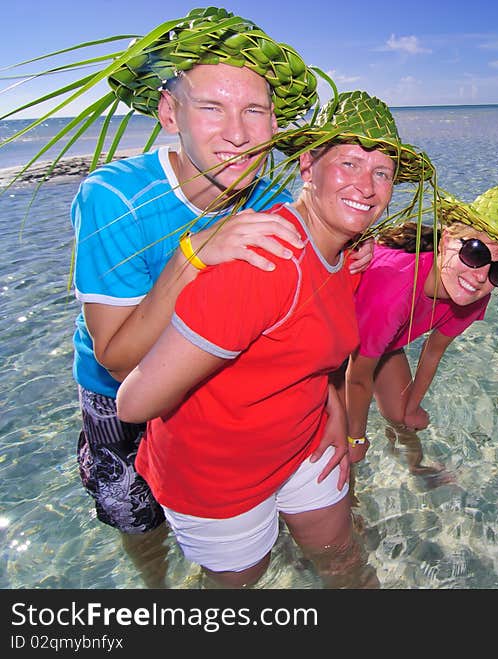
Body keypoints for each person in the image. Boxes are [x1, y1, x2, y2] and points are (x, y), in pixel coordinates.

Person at [4, 8, 370, 587]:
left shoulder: (273, 192)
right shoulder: (114, 198)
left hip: (212, 389)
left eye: (256, 110)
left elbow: (306, 312)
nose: (238, 132)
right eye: (212, 108)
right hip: (119, 387)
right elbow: (118, 358)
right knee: (136, 514)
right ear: (169, 113)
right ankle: (155, 587)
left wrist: (330, 403)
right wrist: (193, 256)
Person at [115, 90, 435, 588]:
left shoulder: (343, 255)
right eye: (349, 163)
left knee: (343, 558)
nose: (366, 186)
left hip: (303, 443)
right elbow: (134, 402)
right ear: (308, 167)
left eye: (382, 173)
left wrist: (329, 404)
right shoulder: (265, 264)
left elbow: (307, 351)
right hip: (219, 479)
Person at [343, 184, 498, 473]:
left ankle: (415, 467)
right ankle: (349, 500)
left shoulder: (475, 294)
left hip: (382, 343)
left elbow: (432, 352)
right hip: (333, 348)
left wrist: (411, 408)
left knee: (407, 420)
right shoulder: (395, 288)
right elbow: (357, 377)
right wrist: (356, 437)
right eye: (475, 253)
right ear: (446, 239)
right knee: (343, 447)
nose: (480, 277)